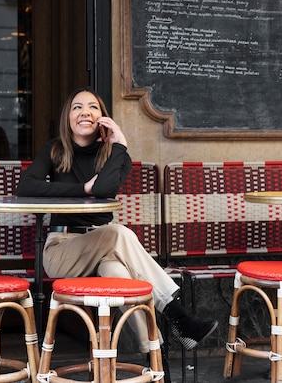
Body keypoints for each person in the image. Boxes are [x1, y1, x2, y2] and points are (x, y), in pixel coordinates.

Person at [16, 87, 218, 366]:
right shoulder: (54, 150)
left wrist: (120, 144)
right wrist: (82, 188)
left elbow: (103, 189)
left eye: (93, 107)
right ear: (68, 117)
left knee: (120, 274)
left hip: (107, 251)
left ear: (102, 117)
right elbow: (24, 186)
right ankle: (176, 314)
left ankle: (155, 356)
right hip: (62, 251)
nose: (85, 112)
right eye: (77, 107)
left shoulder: (115, 155)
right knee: (118, 232)